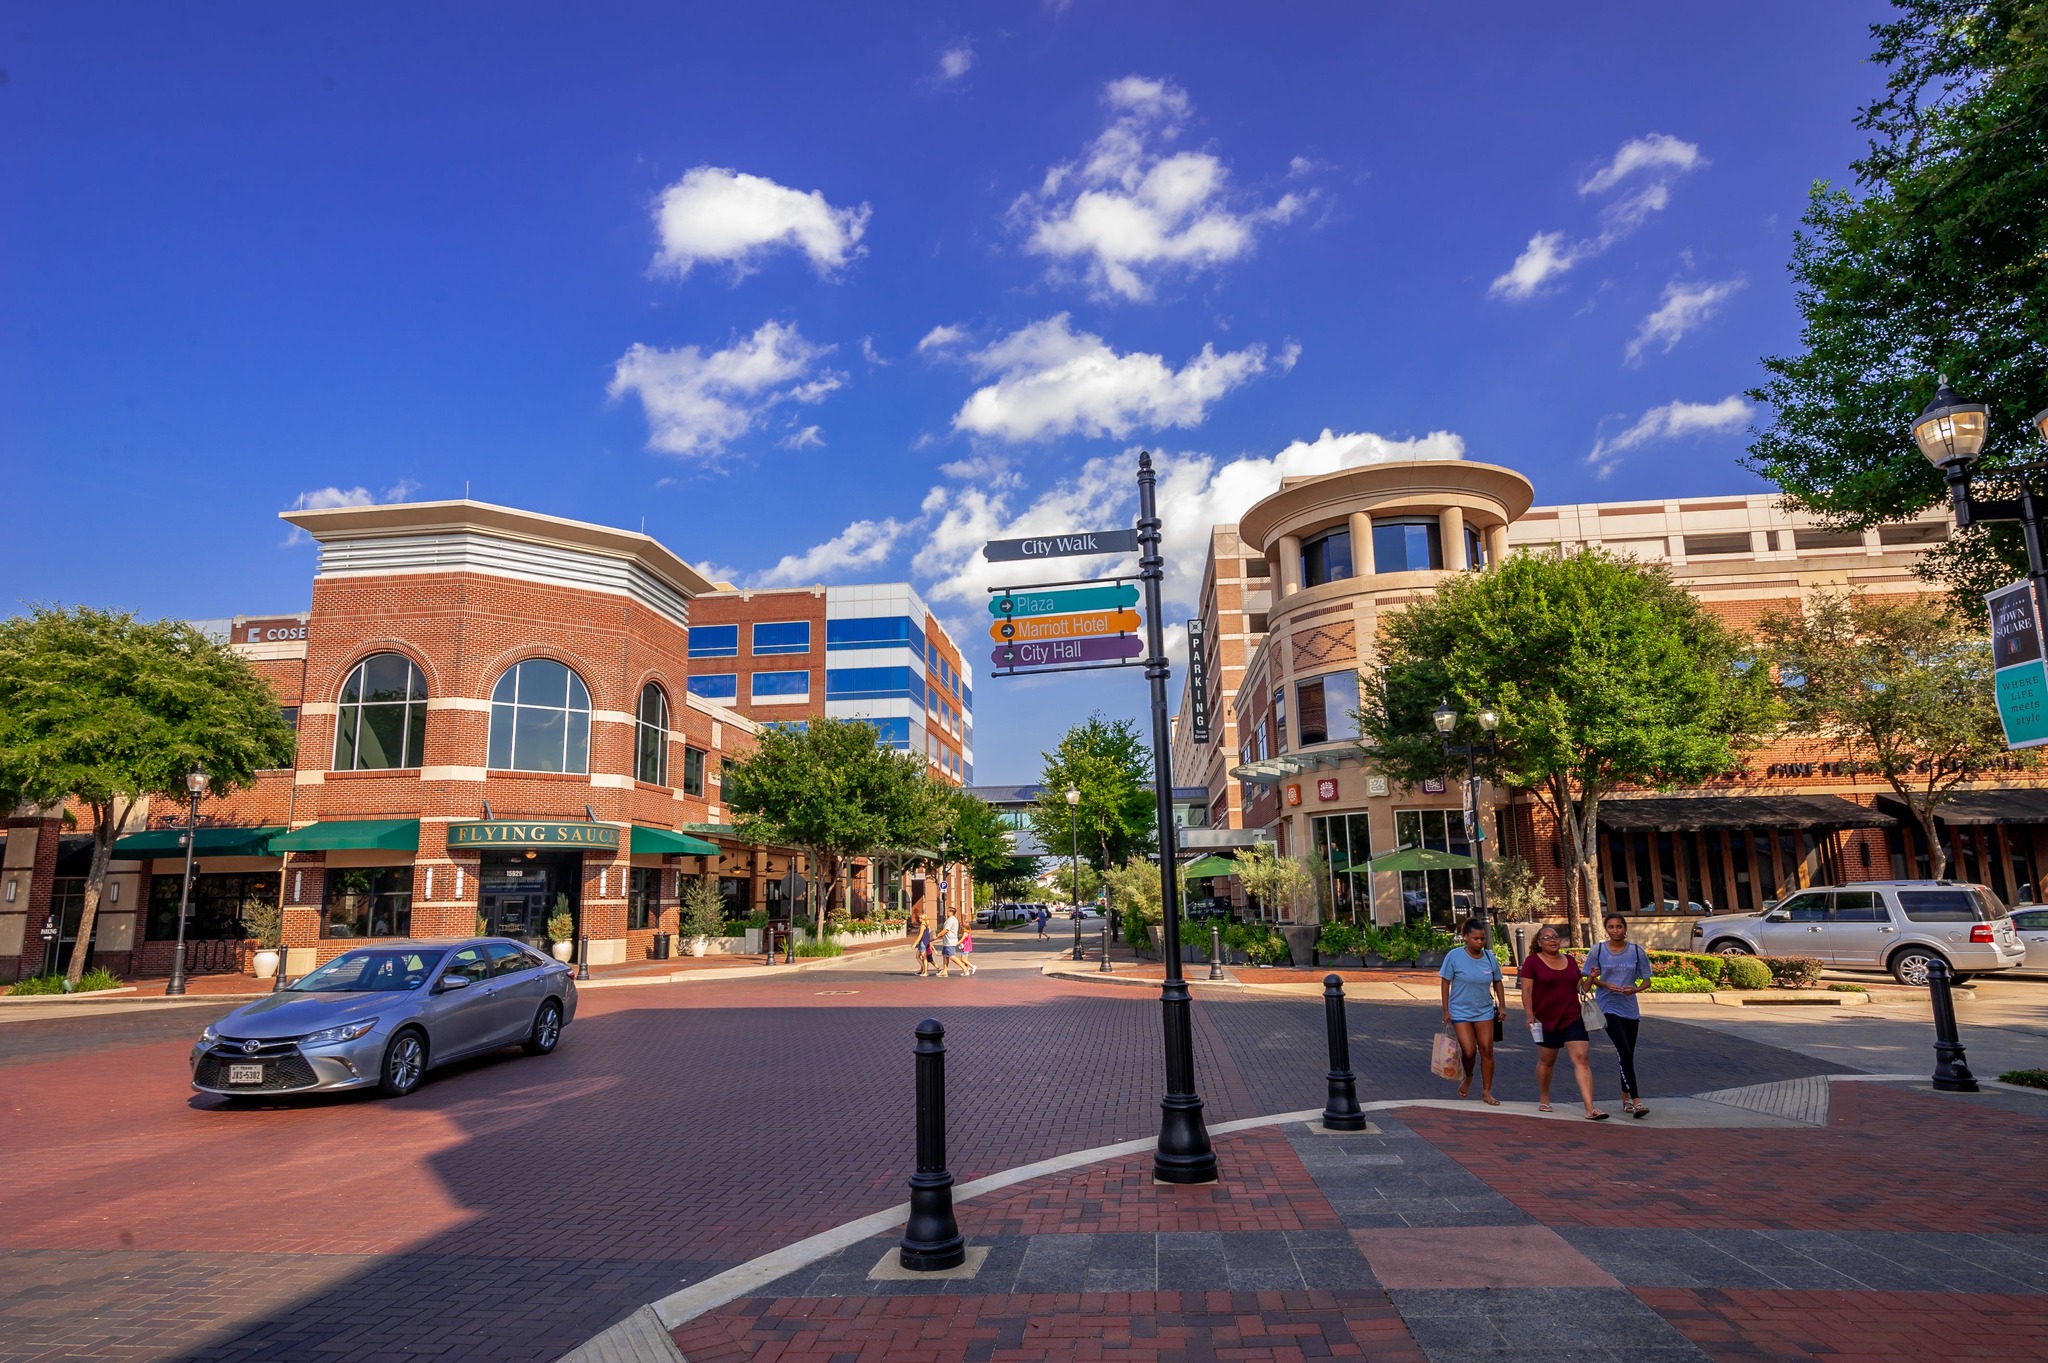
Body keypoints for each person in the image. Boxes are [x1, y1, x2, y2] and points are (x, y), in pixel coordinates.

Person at [1517, 924, 1608, 1120]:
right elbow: (1526, 991)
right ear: (1539, 943)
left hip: (1572, 1017)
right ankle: (1544, 1097)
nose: (1553, 940)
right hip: (1545, 1019)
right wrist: (1529, 1014)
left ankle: (1590, 1108)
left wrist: (1591, 978)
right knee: (1547, 1060)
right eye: (1547, 938)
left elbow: (1580, 988)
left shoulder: (1570, 961)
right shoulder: (1532, 962)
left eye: (1556, 937)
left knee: (1582, 1059)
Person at [1585, 912, 1652, 1117]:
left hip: (1630, 1008)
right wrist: (1605, 984)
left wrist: (1635, 990)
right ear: (1606, 929)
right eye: (1611, 927)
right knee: (1623, 1050)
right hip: (1608, 1006)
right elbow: (1587, 978)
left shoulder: (1636, 951)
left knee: (1628, 1053)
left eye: (1619, 927)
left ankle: (1625, 1099)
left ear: (1625, 929)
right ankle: (1637, 1100)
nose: (1615, 931)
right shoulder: (1598, 950)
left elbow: (1647, 980)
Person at [1438, 918, 1507, 1105]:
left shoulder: (1489, 957)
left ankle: (1486, 1091)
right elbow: (1445, 983)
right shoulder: (1454, 956)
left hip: (1484, 1010)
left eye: (1482, 938)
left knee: (1487, 1049)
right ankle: (1468, 1076)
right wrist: (1446, 1010)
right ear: (1465, 937)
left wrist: (1502, 1005)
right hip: (1460, 1011)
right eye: (1475, 938)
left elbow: (1498, 981)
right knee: (1468, 1051)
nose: (1480, 942)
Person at [938, 907, 965, 977]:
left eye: (947, 911)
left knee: (951, 956)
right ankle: (945, 971)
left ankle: (964, 968)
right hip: (947, 941)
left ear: (951, 912)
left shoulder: (951, 920)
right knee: (945, 956)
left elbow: (946, 930)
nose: (946, 912)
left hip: (950, 941)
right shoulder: (952, 920)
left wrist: (938, 935)